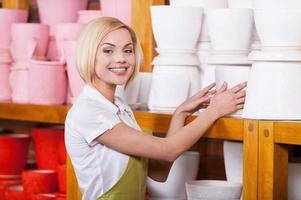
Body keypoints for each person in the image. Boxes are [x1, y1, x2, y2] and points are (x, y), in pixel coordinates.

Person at [65, 17, 247, 200]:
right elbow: (168, 151)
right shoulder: (88, 112)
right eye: (108, 51)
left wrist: (180, 114)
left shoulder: (120, 107)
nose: (120, 59)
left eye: (128, 50)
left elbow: (159, 171)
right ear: (89, 54)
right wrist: (214, 111)